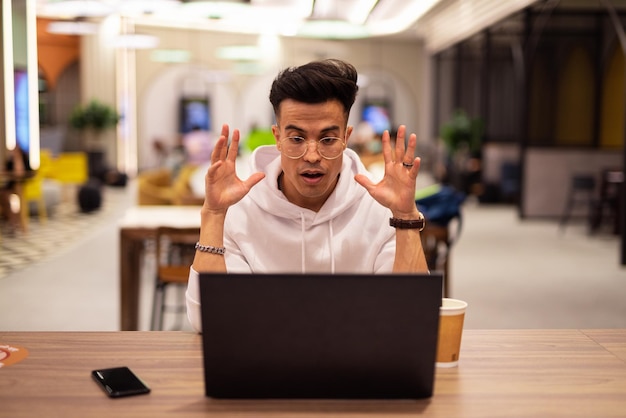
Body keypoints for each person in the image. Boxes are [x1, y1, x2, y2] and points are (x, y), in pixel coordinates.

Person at [186, 59, 429, 332]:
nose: (312, 156)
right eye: (297, 139)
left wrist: (405, 216)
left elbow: (412, 316)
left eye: (327, 139)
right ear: (277, 137)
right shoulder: (241, 207)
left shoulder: (379, 206)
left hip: (358, 365)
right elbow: (210, 321)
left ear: (346, 137)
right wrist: (214, 215)